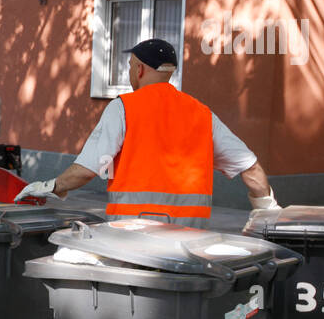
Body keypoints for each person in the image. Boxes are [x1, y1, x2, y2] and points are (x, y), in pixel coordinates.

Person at [16, 38, 279, 226]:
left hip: (133, 236)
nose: (131, 71)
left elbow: (87, 169)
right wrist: (265, 211)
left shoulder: (123, 108)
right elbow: (250, 168)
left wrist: (50, 186)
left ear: (140, 69)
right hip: (188, 241)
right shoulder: (202, 114)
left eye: (131, 65)